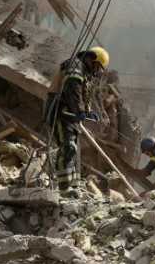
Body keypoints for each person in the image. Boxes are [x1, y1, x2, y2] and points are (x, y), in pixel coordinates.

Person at [44, 46, 109, 190]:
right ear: (91, 59)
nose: (97, 71)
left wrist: (88, 111)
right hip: (59, 111)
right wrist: (80, 110)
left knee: (72, 149)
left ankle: (71, 185)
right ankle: (64, 187)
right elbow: (73, 89)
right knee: (68, 146)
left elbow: (84, 95)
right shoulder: (75, 65)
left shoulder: (84, 73)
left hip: (70, 114)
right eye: (97, 67)